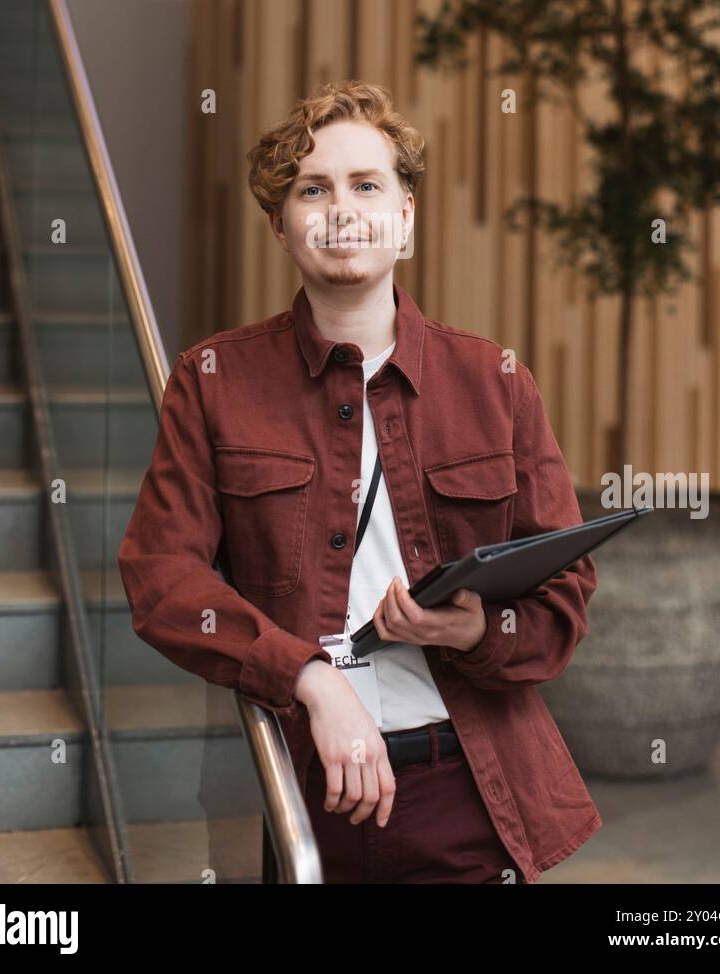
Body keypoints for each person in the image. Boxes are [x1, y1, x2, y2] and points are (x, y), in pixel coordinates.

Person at [118, 79, 602, 884]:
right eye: (314, 190)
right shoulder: (212, 380)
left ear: (405, 219)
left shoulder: (496, 381)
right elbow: (161, 578)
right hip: (299, 786)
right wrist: (307, 676)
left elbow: (564, 593)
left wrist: (475, 632)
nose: (341, 209)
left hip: (468, 794)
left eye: (366, 185)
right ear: (281, 226)